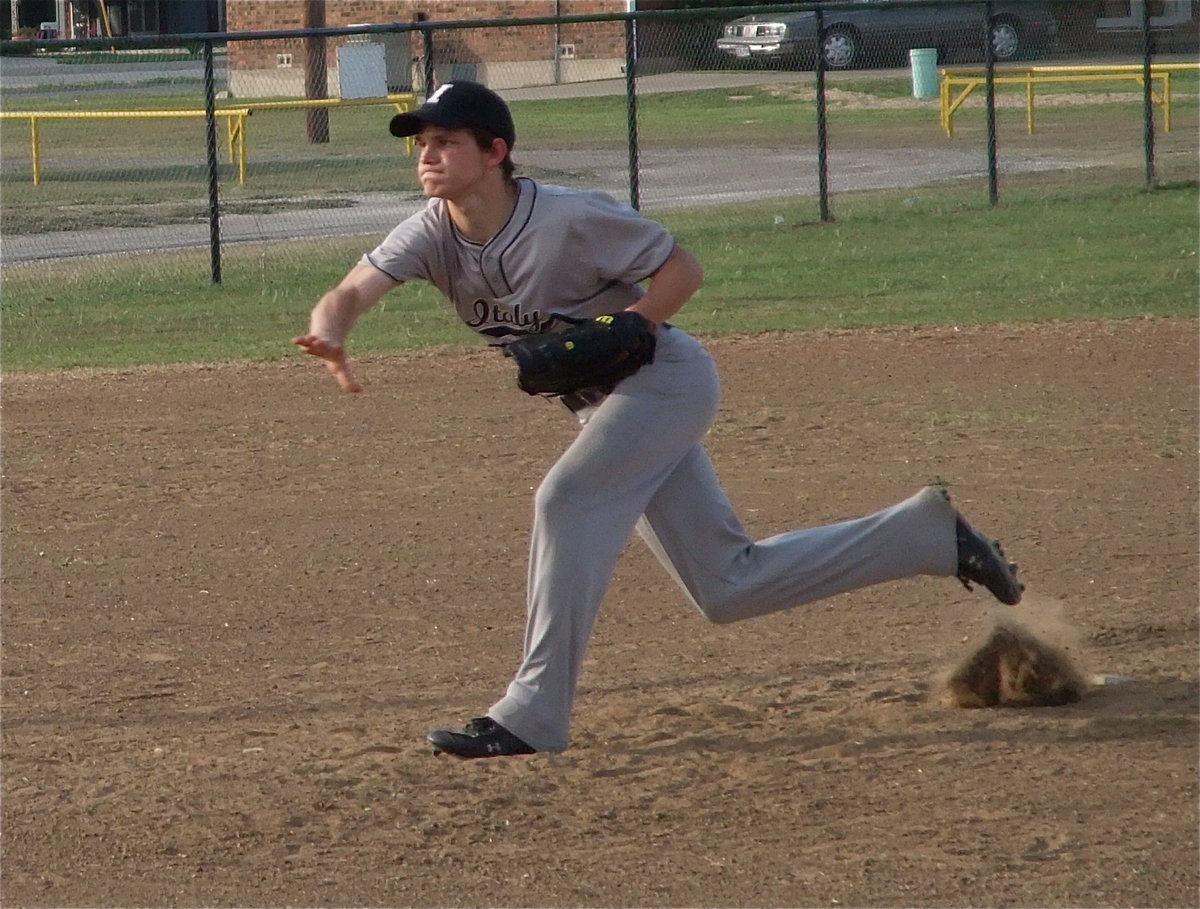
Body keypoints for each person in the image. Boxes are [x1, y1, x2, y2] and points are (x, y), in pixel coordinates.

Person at [293, 81, 1024, 760]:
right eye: (420, 142)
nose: (427, 155)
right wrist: (331, 330)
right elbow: (352, 289)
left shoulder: (569, 216)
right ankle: (925, 535)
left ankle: (532, 713)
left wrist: (636, 321)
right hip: (605, 408)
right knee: (728, 585)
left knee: (565, 499)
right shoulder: (430, 232)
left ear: (494, 152)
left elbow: (682, 267)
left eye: (445, 141)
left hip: (663, 382)